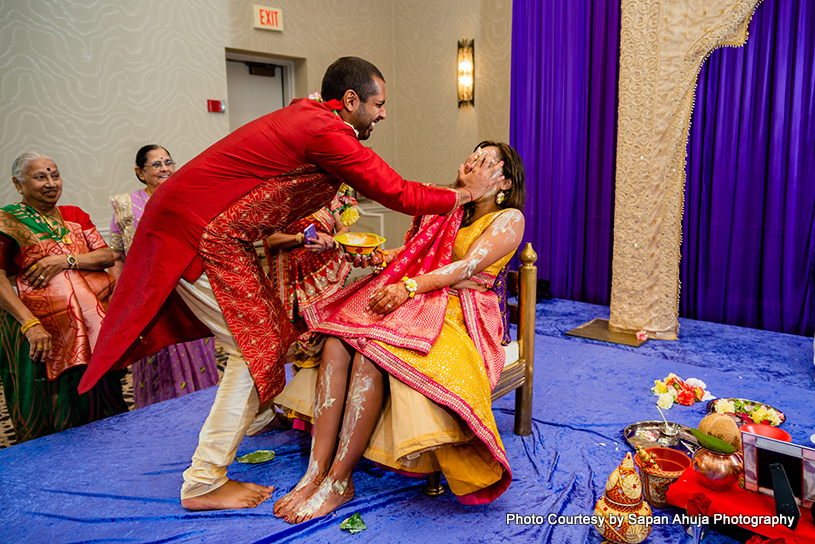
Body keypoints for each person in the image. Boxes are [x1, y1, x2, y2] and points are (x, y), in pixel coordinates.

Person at [77, 57, 504, 511]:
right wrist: (465, 192)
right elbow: (395, 192)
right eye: (378, 105)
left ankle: (256, 437)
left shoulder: (310, 116)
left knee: (268, 342)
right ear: (351, 100)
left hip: (212, 234)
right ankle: (205, 479)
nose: (383, 115)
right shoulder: (327, 132)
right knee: (258, 347)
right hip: (202, 236)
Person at [274, 141, 526, 523]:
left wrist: (407, 287)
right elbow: (410, 256)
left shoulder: (509, 219)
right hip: (419, 297)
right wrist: (362, 254)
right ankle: (315, 470)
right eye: (473, 153)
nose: (473, 159)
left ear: (504, 180)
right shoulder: (448, 210)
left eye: (486, 159)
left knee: (369, 350)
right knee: (339, 341)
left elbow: (466, 268)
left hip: (464, 310)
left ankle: (340, 480)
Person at [0, 152, 128, 442]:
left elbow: (106, 255)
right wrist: (29, 325)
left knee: (100, 400)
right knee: (48, 404)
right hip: (38, 332)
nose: (50, 183)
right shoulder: (7, 221)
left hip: (91, 327)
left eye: (54, 175)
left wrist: (63, 261)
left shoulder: (74, 215)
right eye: (40, 176)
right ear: (18, 184)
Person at [109, 145, 219, 409]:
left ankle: (202, 407)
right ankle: (157, 414)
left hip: (189, 290)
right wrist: (119, 296)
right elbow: (116, 256)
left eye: (168, 162)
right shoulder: (125, 205)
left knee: (194, 348)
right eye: (156, 164)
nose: (165, 168)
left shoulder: (186, 199)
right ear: (140, 172)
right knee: (155, 355)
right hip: (147, 295)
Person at [263, 184, 355, 334]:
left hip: (327, 270)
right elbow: (271, 240)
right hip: (293, 276)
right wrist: (302, 238)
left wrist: (329, 242)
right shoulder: (279, 198)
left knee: (329, 324)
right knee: (299, 330)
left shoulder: (327, 194)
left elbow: (344, 229)